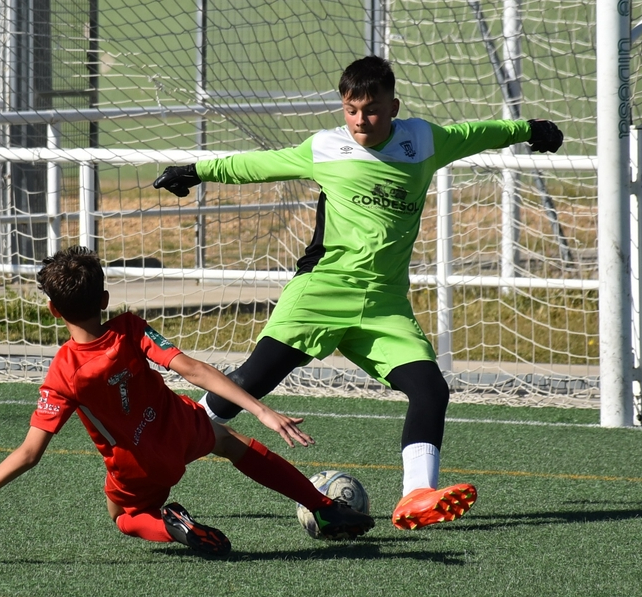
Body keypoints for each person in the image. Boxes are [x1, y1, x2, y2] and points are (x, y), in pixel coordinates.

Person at [153, 55, 563, 531]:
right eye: (350, 110)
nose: (360, 120)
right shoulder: (326, 147)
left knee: (430, 390)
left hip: (384, 303)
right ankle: (169, 442)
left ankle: (416, 496)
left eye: (371, 110)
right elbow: (259, 165)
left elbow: (475, 133)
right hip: (322, 291)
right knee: (250, 381)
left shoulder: (422, 140)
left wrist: (527, 129)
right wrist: (196, 169)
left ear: (394, 107)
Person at [0, 246, 374, 556]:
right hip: (178, 425)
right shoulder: (130, 328)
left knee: (123, 517)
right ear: (105, 299)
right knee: (229, 442)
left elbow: (29, 454)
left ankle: (173, 527)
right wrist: (261, 409)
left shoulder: (63, 373)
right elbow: (191, 368)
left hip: (139, 463)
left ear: (53, 310)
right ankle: (323, 505)